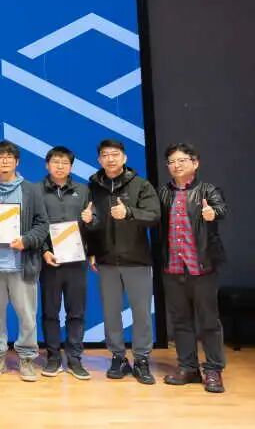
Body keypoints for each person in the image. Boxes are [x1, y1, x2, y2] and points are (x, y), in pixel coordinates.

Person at [0, 141, 48, 382]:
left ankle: (27, 358)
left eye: (9, 157)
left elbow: (42, 224)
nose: (4, 161)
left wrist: (27, 240)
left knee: (27, 315)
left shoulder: (31, 190)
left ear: (17, 161)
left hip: (21, 263)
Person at [87, 139, 160, 385]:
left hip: (136, 259)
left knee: (141, 313)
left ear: (124, 158)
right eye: (105, 155)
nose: (110, 158)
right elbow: (92, 222)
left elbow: (154, 216)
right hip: (106, 260)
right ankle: (118, 357)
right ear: (99, 159)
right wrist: (91, 250)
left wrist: (129, 212)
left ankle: (141, 359)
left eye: (115, 154)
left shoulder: (141, 185)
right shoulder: (93, 187)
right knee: (111, 313)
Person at [158, 143, 227, 393]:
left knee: (208, 322)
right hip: (173, 268)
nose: (176, 165)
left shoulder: (208, 190)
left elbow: (221, 209)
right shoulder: (163, 193)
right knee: (180, 321)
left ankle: (213, 370)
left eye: (182, 160)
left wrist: (212, 213)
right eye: (172, 162)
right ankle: (188, 368)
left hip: (202, 267)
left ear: (195, 163)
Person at [38, 146, 95, 380]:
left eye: (65, 163)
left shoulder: (83, 191)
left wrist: (91, 219)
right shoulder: (36, 191)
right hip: (49, 261)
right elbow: (33, 225)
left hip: (76, 262)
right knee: (50, 312)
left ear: (71, 167)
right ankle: (53, 357)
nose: (60, 166)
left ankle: (74, 358)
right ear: (47, 165)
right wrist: (44, 251)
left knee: (76, 312)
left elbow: (94, 223)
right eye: (55, 162)